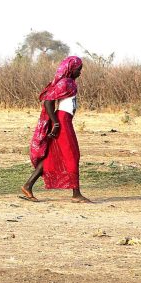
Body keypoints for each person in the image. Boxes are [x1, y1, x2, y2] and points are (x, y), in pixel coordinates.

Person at [20, 56, 91, 203]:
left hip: (66, 121)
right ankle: (76, 194)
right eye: (79, 69)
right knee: (73, 155)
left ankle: (28, 185)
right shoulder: (64, 83)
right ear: (71, 69)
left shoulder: (70, 83)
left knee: (52, 156)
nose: (80, 72)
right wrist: (56, 123)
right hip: (62, 122)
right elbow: (47, 101)